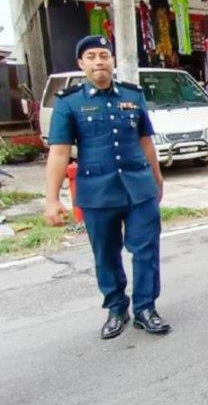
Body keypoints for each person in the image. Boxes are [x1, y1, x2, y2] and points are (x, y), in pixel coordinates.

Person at [44, 35, 169, 339]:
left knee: (146, 250)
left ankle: (145, 308)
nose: (99, 61)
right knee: (105, 253)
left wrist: (157, 178)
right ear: (81, 64)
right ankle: (116, 308)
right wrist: (51, 198)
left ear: (112, 60)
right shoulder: (69, 102)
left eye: (104, 55)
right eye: (91, 57)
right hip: (97, 192)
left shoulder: (133, 95)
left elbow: (146, 142)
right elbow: (59, 152)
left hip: (139, 188)